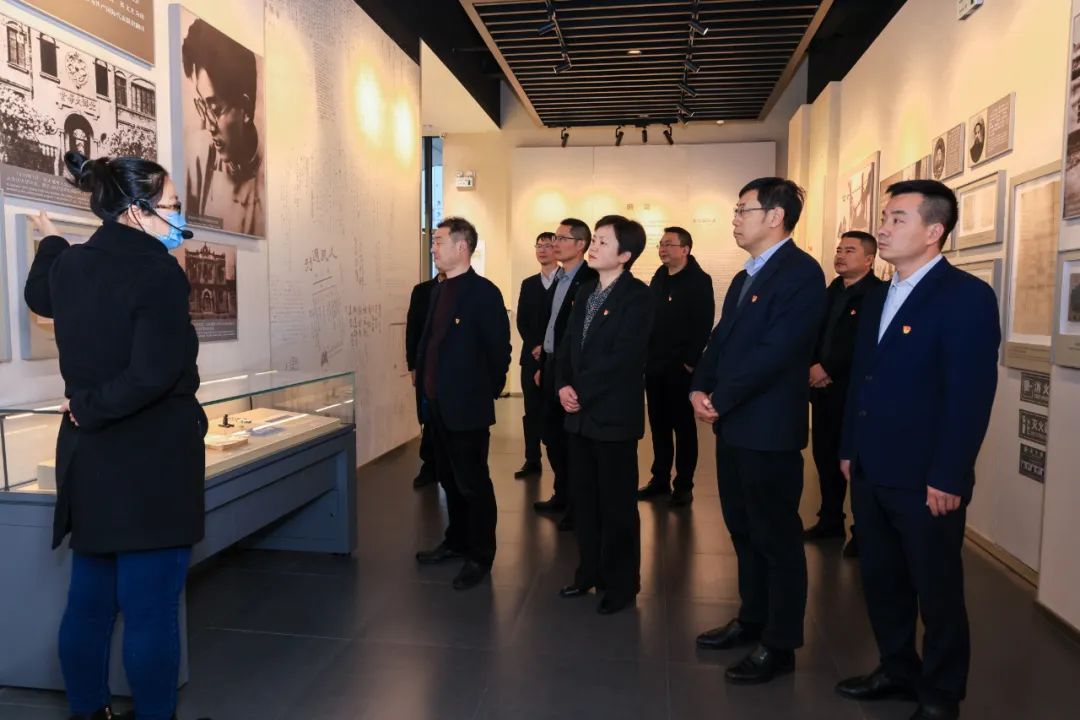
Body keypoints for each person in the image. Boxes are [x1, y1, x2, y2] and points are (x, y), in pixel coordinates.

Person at [23, 151, 210, 720]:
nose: (178, 216)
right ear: (136, 210)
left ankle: (89, 711)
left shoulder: (71, 266)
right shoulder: (158, 272)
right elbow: (152, 375)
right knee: (150, 610)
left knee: (89, 603)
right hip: (150, 461)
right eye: (172, 205)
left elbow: (39, 295)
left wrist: (51, 242)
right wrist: (90, 407)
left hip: (91, 460)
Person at [835, 180, 1000, 720]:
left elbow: (969, 396)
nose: (883, 228)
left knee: (937, 589)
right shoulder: (878, 294)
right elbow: (861, 379)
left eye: (897, 219)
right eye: (885, 217)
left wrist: (949, 474)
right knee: (882, 579)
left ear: (934, 231)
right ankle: (896, 668)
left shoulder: (966, 297)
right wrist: (848, 448)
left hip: (926, 476)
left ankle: (941, 694)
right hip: (870, 466)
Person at [690, 177, 826, 684]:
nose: (735, 218)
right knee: (743, 530)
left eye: (742, 209)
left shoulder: (801, 274)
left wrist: (721, 397)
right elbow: (721, 340)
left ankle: (780, 642)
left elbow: (778, 352)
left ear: (775, 216)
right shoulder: (747, 275)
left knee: (776, 537)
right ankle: (752, 618)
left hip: (768, 429)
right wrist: (699, 386)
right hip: (735, 427)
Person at [555, 215, 653, 615]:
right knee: (584, 500)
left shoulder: (638, 297)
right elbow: (567, 346)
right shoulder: (585, 292)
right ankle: (588, 572)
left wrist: (581, 391)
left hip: (612, 417)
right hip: (579, 417)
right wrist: (563, 384)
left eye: (602, 242)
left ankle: (621, 584)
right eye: (593, 240)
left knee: (617, 506)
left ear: (625, 255)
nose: (593, 247)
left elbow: (624, 358)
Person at [413, 217, 511, 591]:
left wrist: (484, 392)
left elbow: (499, 351)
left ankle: (480, 555)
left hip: (466, 407)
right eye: (433, 242)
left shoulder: (484, 293)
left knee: (473, 483)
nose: (433, 248)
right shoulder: (438, 291)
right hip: (437, 405)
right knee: (448, 479)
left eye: (439, 241)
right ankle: (456, 541)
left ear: (461, 246)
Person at [804, 231, 883, 557]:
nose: (840, 255)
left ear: (869, 259)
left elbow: (863, 345)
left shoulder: (877, 295)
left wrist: (828, 368)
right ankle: (830, 520)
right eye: (839, 249)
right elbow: (811, 332)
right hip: (822, 390)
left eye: (849, 250)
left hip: (854, 393)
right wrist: (812, 365)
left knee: (858, 464)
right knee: (825, 457)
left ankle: (864, 532)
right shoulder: (831, 291)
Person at [637, 226, 714, 507]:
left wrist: (690, 362)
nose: (663, 249)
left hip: (680, 368)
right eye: (661, 244)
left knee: (683, 427)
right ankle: (659, 479)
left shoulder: (699, 280)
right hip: (655, 365)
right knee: (658, 425)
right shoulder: (659, 276)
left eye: (669, 244)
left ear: (685, 249)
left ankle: (684, 484)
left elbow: (703, 322)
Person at [533, 218, 598, 531]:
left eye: (561, 239)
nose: (554, 244)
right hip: (550, 365)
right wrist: (542, 365)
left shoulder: (589, 280)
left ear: (580, 244)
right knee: (552, 435)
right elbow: (551, 324)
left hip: (570, 371)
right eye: (554, 238)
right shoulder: (558, 278)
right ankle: (562, 494)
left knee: (573, 442)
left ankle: (578, 505)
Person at [181, 18, 264, 236]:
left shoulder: (268, 185)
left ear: (245, 109)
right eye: (202, 106)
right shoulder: (198, 157)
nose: (209, 126)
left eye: (216, 110)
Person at [513, 231, 558, 479]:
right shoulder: (529, 283)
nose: (542, 250)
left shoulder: (566, 282)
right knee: (531, 409)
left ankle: (560, 462)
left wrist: (549, 347)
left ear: (557, 249)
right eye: (538, 245)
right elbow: (522, 320)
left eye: (547, 245)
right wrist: (535, 346)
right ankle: (532, 459)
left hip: (556, 357)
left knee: (554, 409)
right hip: (531, 357)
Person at [406, 273, 444, 489]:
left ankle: (449, 466)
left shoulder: (467, 289)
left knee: (449, 418)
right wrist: (412, 365)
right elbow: (412, 329)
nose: (437, 256)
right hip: (426, 366)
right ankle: (430, 465)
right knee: (428, 416)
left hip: (452, 368)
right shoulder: (421, 291)